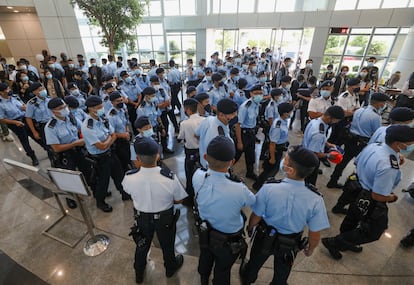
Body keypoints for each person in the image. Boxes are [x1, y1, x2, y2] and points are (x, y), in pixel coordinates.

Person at [322, 125, 414, 260]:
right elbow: (378, 195)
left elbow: (357, 161)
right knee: (373, 231)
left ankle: (346, 240)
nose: (411, 145)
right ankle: (336, 242)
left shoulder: (375, 146)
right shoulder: (389, 166)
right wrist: (392, 198)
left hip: (355, 187)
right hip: (369, 198)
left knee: (352, 217)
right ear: (398, 144)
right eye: (410, 142)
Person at [241, 146, 329, 285]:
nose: (283, 161)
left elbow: (256, 215)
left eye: (286, 160)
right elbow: (314, 233)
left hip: (264, 237)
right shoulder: (316, 199)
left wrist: (251, 227)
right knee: (282, 272)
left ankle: (248, 279)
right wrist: (310, 248)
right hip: (290, 243)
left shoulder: (269, 188)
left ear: (290, 170)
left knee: (255, 262)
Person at [193, 136, 255, 285]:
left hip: (205, 231)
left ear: (206, 157)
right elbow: (255, 203)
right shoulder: (239, 189)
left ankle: (203, 278)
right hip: (228, 239)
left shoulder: (197, 176)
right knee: (223, 268)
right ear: (232, 162)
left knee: (205, 257)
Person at [123, 137, 187, 283]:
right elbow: (179, 199)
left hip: (142, 217)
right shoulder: (169, 178)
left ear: (138, 158)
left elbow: (127, 191)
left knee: (142, 245)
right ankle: (170, 268)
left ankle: (139, 272)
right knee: (167, 243)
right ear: (158, 155)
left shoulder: (129, 177)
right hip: (165, 218)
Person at [331, 107, 414, 214]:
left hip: (363, 168)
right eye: (410, 121)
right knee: (357, 206)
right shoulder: (388, 161)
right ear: (403, 122)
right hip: (371, 179)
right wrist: (392, 198)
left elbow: (371, 146)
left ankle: (338, 207)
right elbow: (383, 160)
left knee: (350, 192)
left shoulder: (382, 130)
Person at [327, 93, 388, 189]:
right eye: (383, 103)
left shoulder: (359, 110)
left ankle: (332, 180)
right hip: (362, 143)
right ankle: (353, 187)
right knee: (361, 165)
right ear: (380, 104)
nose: (384, 105)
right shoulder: (376, 117)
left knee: (343, 161)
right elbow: (377, 132)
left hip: (350, 139)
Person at [44, 97, 87, 209]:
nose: (65, 109)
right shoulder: (50, 127)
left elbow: (82, 128)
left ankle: (92, 189)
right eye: (61, 108)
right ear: (54, 111)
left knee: (87, 170)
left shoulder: (71, 117)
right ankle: (71, 198)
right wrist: (76, 143)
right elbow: (56, 148)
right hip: (65, 154)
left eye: (65, 106)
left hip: (78, 150)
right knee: (69, 178)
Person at [81, 96, 116, 212]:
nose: (102, 109)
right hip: (100, 157)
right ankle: (100, 202)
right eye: (99, 107)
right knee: (103, 180)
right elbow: (101, 146)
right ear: (91, 109)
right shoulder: (87, 126)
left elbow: (113, 134)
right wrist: (109, 139)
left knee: (118, 173)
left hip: (110, 152)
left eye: (102, 106)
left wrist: (108, 141)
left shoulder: (103, 118)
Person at [253, 103, 293, 191]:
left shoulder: (283, 121)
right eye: (290, 112)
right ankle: (258, 186)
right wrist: (272, 157)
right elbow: (272, 143)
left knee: (273, 170)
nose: (291, 113)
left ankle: (265, 183)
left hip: (279, 148)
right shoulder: (277, 126)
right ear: (285, 113)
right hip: (275, 150)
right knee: (269, 171)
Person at [302, 106, 345, 186]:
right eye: (336, 120)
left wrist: (328, 144)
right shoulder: (319, 133)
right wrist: (329, 155)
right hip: (309, 160)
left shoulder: (317, 121)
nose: (336, 122)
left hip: (304, 150)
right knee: (309, 183)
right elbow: (314, 153)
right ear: (329, 117)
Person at [0, 83, 39, 165]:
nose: (9, 91)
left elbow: (22, 105)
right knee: (24, 140)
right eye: (6, 90)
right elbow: (2, 119)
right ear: (1, 93)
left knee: (35, 134)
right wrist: (15, 122)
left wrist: (24, 107)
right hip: (15, 123)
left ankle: (47, 148)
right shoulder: (1, 104)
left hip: (25, 118)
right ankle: (32, 156)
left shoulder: (15, 97)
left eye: (8, 88)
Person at [195, 98, 238, 168]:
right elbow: (218, 161)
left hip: (203, 162)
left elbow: (196, 134)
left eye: (236, 113)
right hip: (214, 169)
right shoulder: (219, 135)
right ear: (221, 115)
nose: (235, 116)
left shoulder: (209, 119)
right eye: (232, 114)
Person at [177, 98, 205, 206]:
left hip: (190, 152)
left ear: (188, 110)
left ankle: (189, 199)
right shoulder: (204, 120)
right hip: (202, 151)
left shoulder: (184, 123)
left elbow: (181, 137)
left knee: (190, 175)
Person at [234, 84, 263, 181]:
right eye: (256, 93)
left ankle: (250, 173)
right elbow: (238, 125)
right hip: (243, 134)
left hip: (251, 133)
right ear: (251, 94)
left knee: (250, 155)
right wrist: (239, 142)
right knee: (236, 155)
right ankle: (225, 171)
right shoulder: (245, 107)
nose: (259, 95)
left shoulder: (257, 105)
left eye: (260, 93)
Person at [107, 91, 132, 201]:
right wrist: (124, 135)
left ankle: (130, 186)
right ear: (112, 103)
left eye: (121, 100)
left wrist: (127, 132)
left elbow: (126, 122)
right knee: (121, 169)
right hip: (118, 143)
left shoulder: (122, 109)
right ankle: (124, 193)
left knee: (127, 163)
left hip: (125, 139)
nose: (120, 102)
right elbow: (112, 133)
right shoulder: (110, 116)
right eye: (118, 101)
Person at [25, 83, 54, 161]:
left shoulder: (49, 99)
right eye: (39, 90)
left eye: (43, 88)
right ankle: (54, 162)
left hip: (54, 123)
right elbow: (28, 118)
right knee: (49, 146)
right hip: (43, 126)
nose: (43, 91)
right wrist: (34, 132)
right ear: (34, 92)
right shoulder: (31, 103)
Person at [328, 77, 361, 146]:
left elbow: (358, 108)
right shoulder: (343, 97)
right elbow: (343, 113)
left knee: (342, 139)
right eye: (357, 85)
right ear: (350, 86)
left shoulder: (355, 95)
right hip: (339, 121)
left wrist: (351, 112)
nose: (358, 87)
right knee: (334, 139)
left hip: (348, 121)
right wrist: (352, 112)